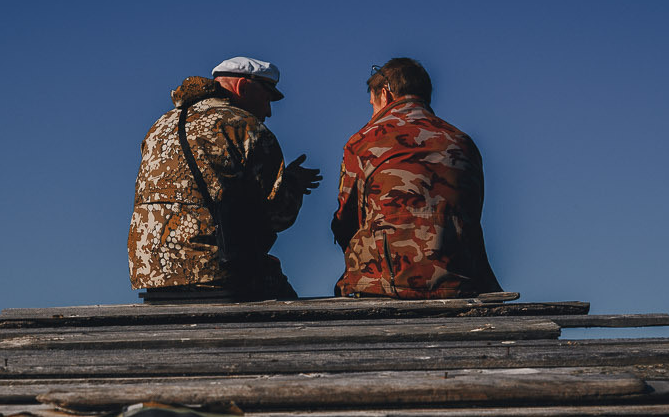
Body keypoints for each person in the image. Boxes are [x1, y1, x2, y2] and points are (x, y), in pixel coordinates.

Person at [128, 56, 323, 301]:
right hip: (214, 271)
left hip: (153, 273)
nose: (269, 111)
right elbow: (278, 216)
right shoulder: (244, 126)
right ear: (243, 86)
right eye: (267, 98)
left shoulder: (159, 126)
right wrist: (294, 183)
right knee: (298, 322)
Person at [331, 57, 501, 298]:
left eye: (372, 104)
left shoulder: (362, 142)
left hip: (384, 286)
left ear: (386, 95)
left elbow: (345, 222)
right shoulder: (463, 143)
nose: (372, 115)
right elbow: (472, 212)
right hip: (460, 285)